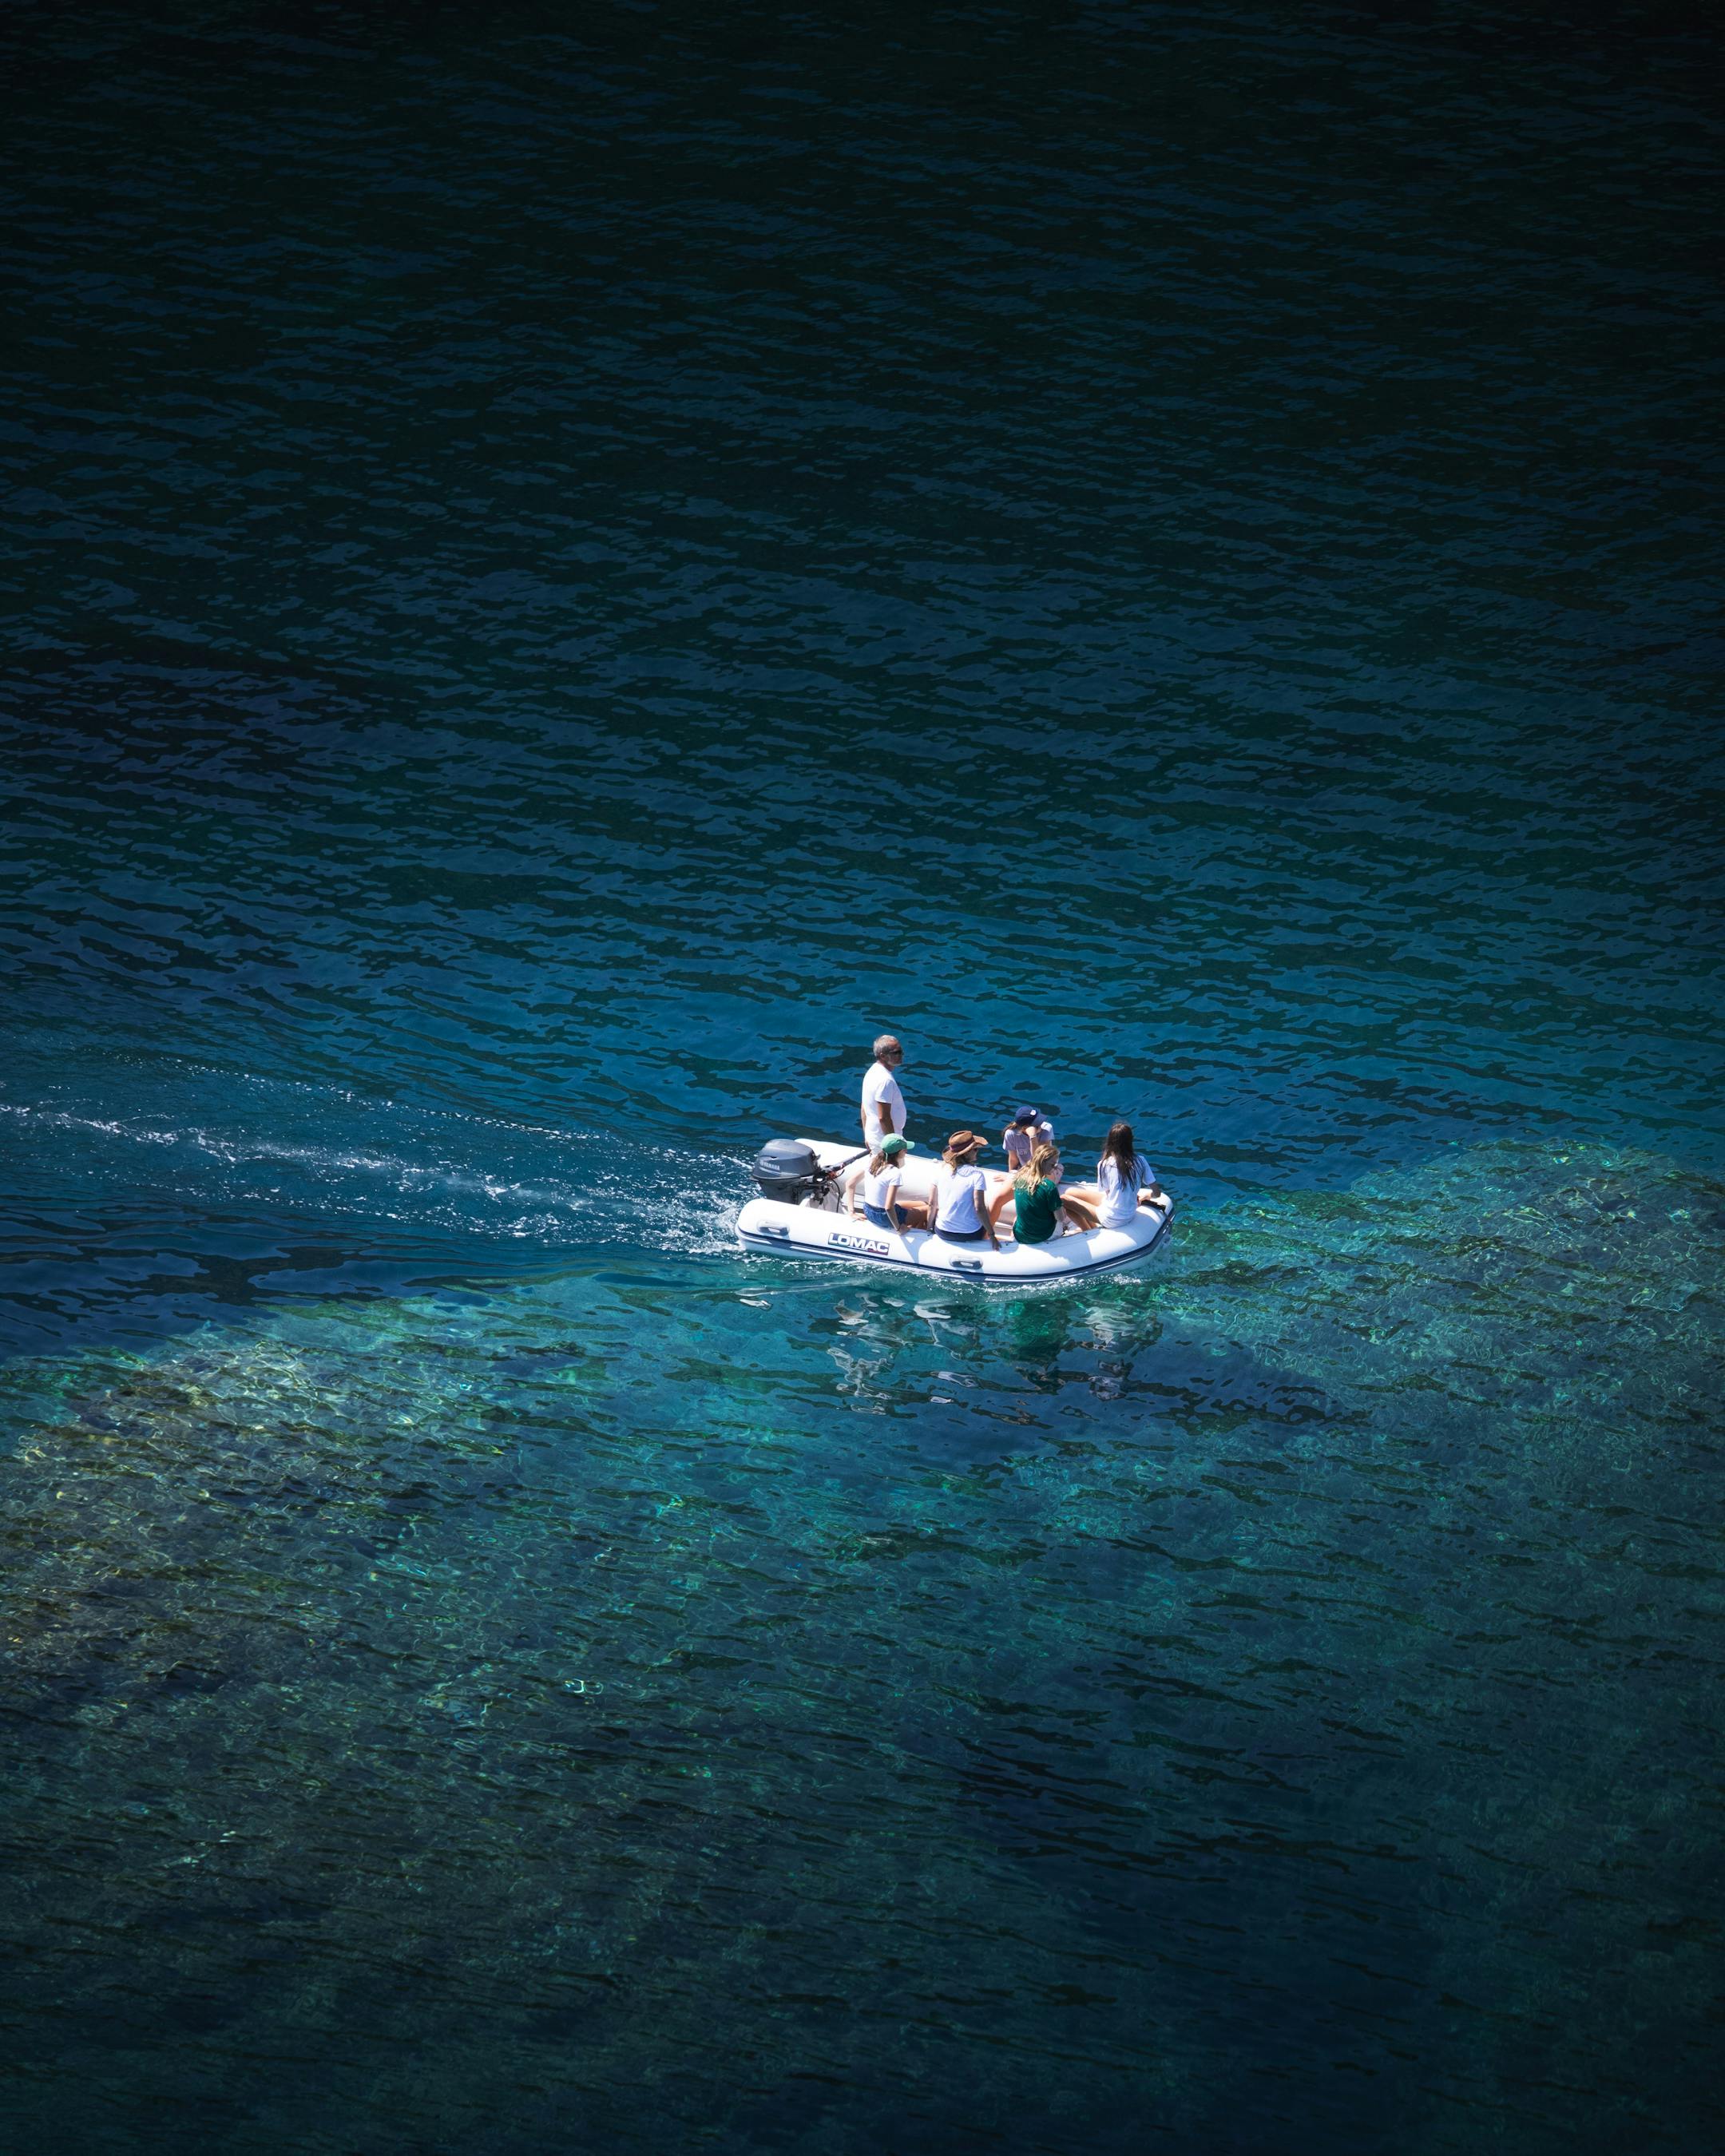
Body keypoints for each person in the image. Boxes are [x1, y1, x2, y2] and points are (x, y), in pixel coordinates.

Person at [1069, 1120, 1164, 1229]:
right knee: (1071, 1192)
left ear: (1110, 1142)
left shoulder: (1104, 1164)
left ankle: (1088, 1231)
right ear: (1131, 1141)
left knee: (1064, 1199)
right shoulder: (1141, 1161)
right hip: (1129, 1213)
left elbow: (1108, 1192)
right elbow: (1157, 1193)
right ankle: (1089, 1226)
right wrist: (1146, 1196)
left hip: (1112, 1218)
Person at [928, 1130, 999, 1248]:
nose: (977, 1152)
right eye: (975, 1149)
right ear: (966, 1154)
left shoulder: (940, 1170)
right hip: (970, 1234)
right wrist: (991, 1234)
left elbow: (931, 1204)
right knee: (985, 1208)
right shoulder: (976, 1175)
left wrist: (930, 1228)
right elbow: (979, 1208)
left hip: (942, 1231)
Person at [846, 1133, 925, 1233]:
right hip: (884, 1217)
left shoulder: (872, 1162)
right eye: (905, 1149)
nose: (906, 1151)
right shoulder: (894, 1172)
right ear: (900, 1152)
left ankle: (912, 1226)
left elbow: (850, 1183)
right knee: (929, 1209)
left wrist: (851, 1212)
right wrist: (898, 1228)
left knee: (922, 1204)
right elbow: (888, 1207)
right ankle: (914, 1231)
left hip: (868, 1211)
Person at [1009, 1141, 1080, 1245]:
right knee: (1063, 1218)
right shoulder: (1049, 1186)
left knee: (1017, 1218)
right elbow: (1060, 1218)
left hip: (1021, 1235)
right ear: (1043, 1163)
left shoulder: (1019, 1178)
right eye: (1053, 1165)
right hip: (1044, 1235)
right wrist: (1062, 1209)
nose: (1055, 1168)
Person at [860, 1033, 906, 1149]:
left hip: (875, 1137)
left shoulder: (872, 1071)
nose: (901, 1054)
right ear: (883, 1056)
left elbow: (864, 1106)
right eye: (896, 1052)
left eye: (901, 1051)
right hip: (884, 1141)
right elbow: (884, 1118)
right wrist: (894, 1145)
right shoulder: (885, 1081)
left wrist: (867, 1135)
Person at [1001, 1104, 1056, 1171]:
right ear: (1024, 1128)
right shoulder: (1010, 1134)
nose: (1041, 1124)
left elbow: (1040, 1159)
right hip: (1026, 1169)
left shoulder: (1047, 1129)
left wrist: (1033, 1137)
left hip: (1045, 1167)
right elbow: (1013, 1159)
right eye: (1037, 1123)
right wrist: (1010, 1174)